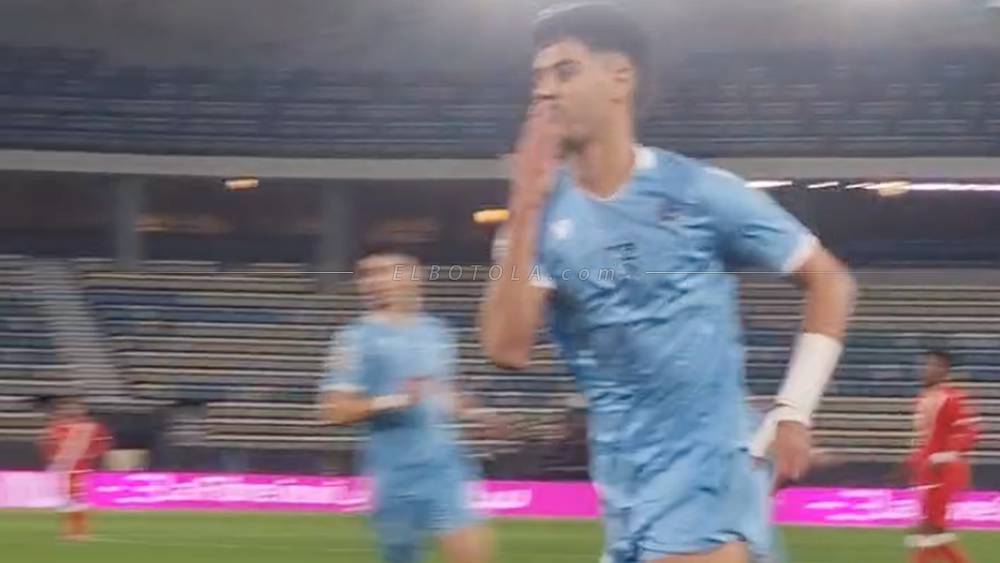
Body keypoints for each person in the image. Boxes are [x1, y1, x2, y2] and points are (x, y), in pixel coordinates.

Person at [478, 3, 856, 562]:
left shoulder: (696, 191)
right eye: (538, 78)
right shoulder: (536, 216)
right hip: (624, 487)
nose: (545, 91)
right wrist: (525, 205)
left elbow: (830, 281)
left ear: (620, 79)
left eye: (565, 71)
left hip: (708, 471)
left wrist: (793, 409)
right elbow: (505, 349)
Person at [320, 251, 494, 563]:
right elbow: (334, 410)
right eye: (367, 275)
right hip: (392, 472)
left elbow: (441, 391)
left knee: (472, 555)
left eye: (385, 272)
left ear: (414, 278)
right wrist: (394, 401)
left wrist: (475, 414)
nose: (373, 282)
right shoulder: (356, 339)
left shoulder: (437, 333)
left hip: (444, 466)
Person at [905, 349, 979, 563]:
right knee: (933, 532)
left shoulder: (953, 398)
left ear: (944, 370)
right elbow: (925, 438)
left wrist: (942, 457)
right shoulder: (924, 398)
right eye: (926, 365)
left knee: (931, 529)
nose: (926, 370)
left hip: (945, 471)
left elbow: (969, 433)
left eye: (932, 365)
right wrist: (914, 462)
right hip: (928, 472)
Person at [39, 395, 112, 540]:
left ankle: (79, 532)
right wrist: (52, 457)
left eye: (75, 408)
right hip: (65, 470)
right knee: (68, 501)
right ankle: (72, 532)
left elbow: (104, 442)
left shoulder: (91, 427)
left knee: (77, 500)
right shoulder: (59, 427)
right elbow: (49, 444)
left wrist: (94, 454)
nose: (72, 411)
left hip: (80, 470)